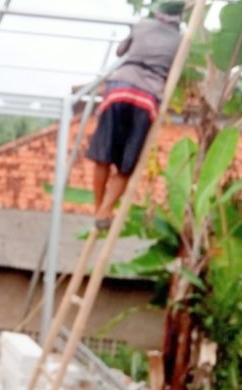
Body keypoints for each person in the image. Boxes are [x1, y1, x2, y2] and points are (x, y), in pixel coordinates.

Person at [86, 0, 184, 230]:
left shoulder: (140, 26)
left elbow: (121, 50)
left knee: (104, 156)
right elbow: (177, 71)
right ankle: (105, 210)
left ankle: (99, 209)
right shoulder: (180, 42)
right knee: (126, 164)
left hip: (119, 89)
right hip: (146, 99)